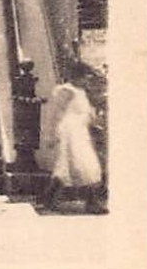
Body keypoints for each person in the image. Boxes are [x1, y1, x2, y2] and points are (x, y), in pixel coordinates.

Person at [42, 82, 104, 213]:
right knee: (80, 164)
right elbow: (57, 113)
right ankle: (92, 202)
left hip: (80, 131)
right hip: (70, 132)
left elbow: (86, 113)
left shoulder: (80, 92)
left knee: (69, 167)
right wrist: (52, 134)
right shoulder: (66, 90)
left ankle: (48, 197)